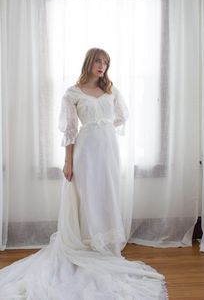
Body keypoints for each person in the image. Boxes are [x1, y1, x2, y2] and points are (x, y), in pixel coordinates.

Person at [0, 48, 167, 299]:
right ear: (89, 62)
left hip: (108, 150)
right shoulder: (72, 93)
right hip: (86, 151)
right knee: (87, 196)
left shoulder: (110, 91)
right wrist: (68, 162)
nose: (102, 66)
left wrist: (105, 128)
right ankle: (88, 242)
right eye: (98, 61)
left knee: (106, 194)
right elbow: (68, 131)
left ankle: (105, 245)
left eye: (106, 63)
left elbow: (122, 115)